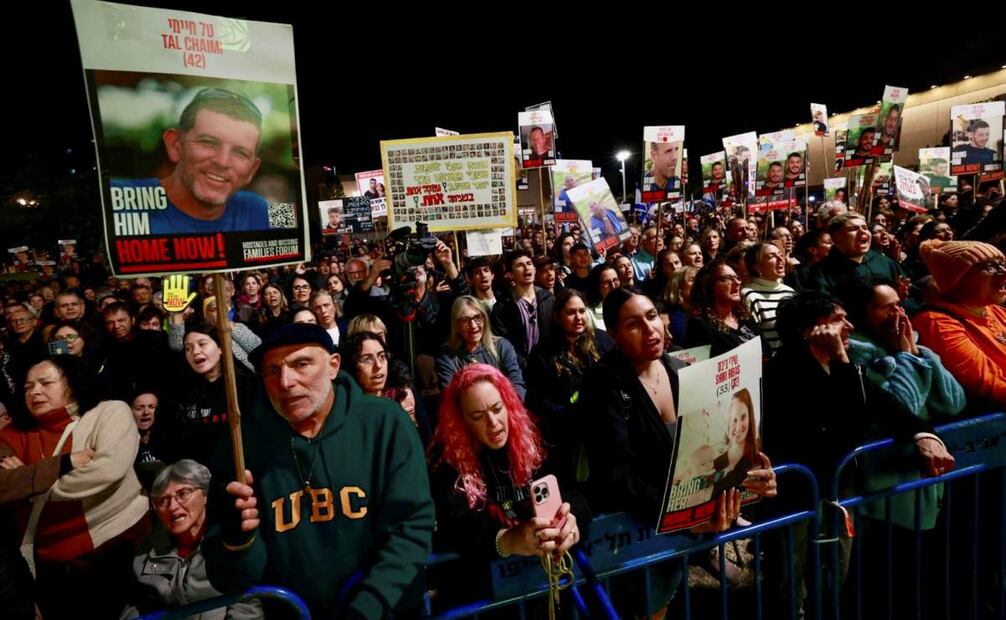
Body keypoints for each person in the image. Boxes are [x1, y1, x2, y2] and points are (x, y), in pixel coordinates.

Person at [203, 323, 434, 616]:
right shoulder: (238, 448)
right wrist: (237, 541)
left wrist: (365, 608)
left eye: (301, 364)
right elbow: (229, 580)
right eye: (272, 371)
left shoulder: (384, 423)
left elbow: (411, 529)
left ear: (333, 366)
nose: (286, 381)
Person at [580, 288, 776, 615]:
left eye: (652, 316)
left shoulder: (678, 368)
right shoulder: (602, 385)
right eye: (633, 324)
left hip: (678, 541)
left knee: (664, 603)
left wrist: (750, 473)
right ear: (612, 333)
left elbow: (709, 445)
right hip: (632, 540)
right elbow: (617, 475)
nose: (650, 329)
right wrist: (685, 521)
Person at [763, 291, 953, 616]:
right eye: (838, 320)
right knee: (790, 585)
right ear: (811, 330)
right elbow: (850, 422)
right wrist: (839, 360)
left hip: (836, 493)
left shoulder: (841, 367)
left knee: (833, 576)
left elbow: (884, 405)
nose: (850, 326)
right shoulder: (783, 373)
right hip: (795, 497)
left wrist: (924, 435)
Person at [0, 356, 149, 619]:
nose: (35, 391)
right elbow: (3, 486)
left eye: (45, 383)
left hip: (110, 550)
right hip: (44, 568)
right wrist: (65, 463)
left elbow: (107, 470)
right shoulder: (12, 434)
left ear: (71, 383)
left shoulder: (109, 412)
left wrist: (29, 483)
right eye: (27, 387)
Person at [427, 364, 586, 607]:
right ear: (462, 421)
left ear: (508, 403)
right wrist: (508, 540)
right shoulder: (446, 461)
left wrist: (573, 521)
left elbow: (575, 492)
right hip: (490, 597)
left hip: (548, 586)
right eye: (478, 416)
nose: (493, 423)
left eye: (497, 409)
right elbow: (456, 523)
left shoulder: (535, 436)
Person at [111, 88, 270, 234]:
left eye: (240, 152)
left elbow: (293, 229)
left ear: (252, 170)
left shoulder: (258, 206)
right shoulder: (115, 198)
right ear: (175, 145)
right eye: (208, 142)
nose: (222, 162)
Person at [123, 460, 261, 618]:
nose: (172, 507)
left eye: (183, 494)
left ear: (206, 495)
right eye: (163, 501)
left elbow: (247, 605)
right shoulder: (145, 551)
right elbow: (137, 606)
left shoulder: (229, 541)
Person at [525, 289, 614, 477]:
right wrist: (569, 413)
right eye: (571, 312)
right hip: (565, 438)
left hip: (605, 431)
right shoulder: (543, 353)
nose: (579, 317)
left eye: (582, 311)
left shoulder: (603, 341)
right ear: (557, 316)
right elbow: (536, 399)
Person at [913, 240, 1006, 408]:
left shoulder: (996, 311)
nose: (1003, 273)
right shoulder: (937, 322)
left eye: (1001, 265)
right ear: (958, 279)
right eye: (990, 267)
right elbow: (991, 384)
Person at [438, 296, 524, 397]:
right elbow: (450, 397)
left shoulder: (502, 346)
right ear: (456, 326)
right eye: (465, 321)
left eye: (477, 317)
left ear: (485, 319)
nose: (473, 325)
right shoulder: (448, 357)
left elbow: (517, 386)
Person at [490, 250, 555, 369]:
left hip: (548, 367)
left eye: (529, 263)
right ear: (510, 274)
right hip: (518, 369)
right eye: (520, 265)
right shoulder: (502, 308)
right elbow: (503, 343)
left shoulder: (549, 300)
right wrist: (525, 365)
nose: (527, 268)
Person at [685, 259, 759, 356]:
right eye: (728, 278)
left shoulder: (745, 317)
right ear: (709, 285)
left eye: (737, 277)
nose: (737, 282)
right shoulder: (700, 325)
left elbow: (766, 350)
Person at [742, 242, 796, 355]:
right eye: (772, 256)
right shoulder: (749, 296)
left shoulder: (790, 292)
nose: (780, 259)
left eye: (780, 255)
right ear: (757, 267)